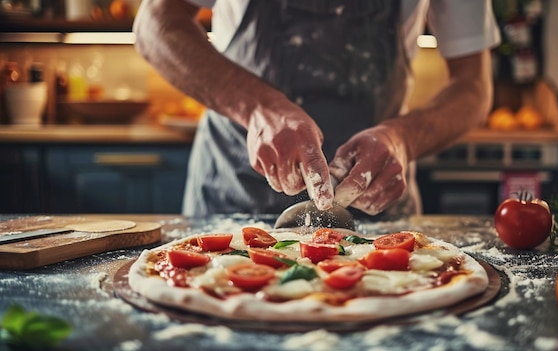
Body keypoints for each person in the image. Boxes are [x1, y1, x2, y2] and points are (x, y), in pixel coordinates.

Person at [133, 0, 501, 219]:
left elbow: (473, 88)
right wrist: (259, 107)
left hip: (376, 201)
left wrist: (402, 139)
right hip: (234, 191)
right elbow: (155, 24)